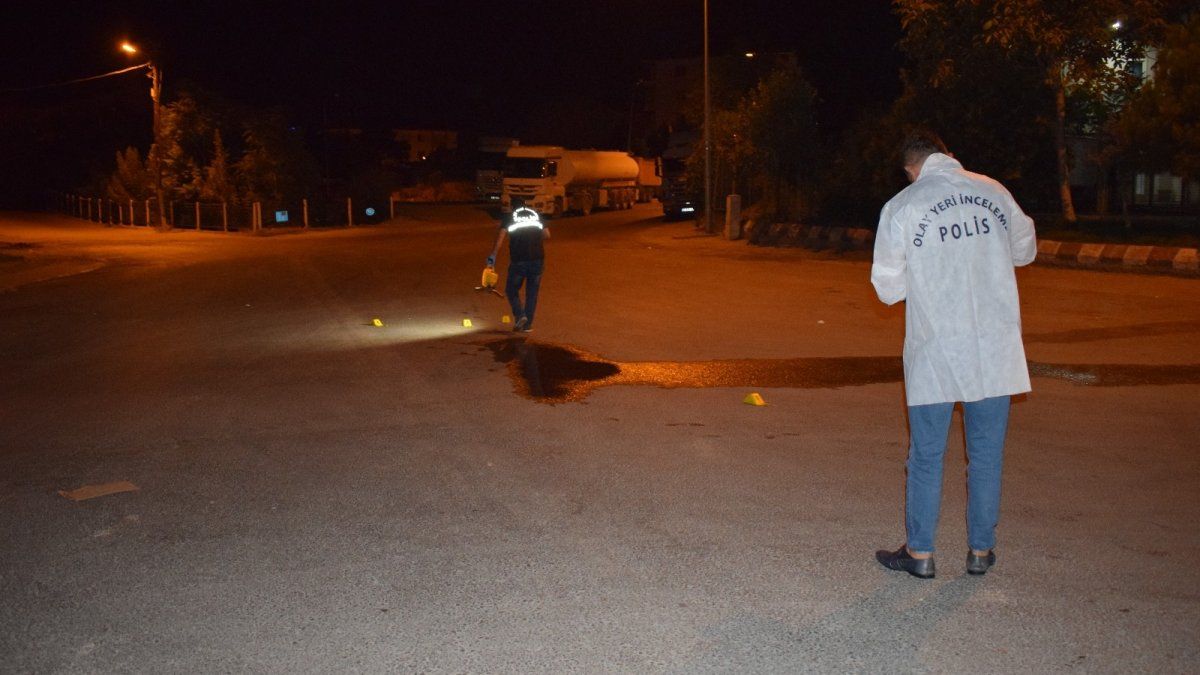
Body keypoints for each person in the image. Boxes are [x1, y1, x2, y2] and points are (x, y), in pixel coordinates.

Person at [870, 130, 1037, 579]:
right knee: (986, 455)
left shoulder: (903, 206)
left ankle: (921, 552)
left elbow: (887, 289)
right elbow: (1025, 250)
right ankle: (980, 550)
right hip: (994, 348)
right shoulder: (994, 191)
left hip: (936, 349)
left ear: (911, 170)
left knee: (927, 455)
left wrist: (929, 274)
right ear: (949, 155)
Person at [487, 197, 550, 332]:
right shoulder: (536, 215)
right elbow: (547, 234)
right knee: (532, 294)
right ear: (525, 204)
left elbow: (500, 239)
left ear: (512, 207)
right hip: (537, 259)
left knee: (511, 290)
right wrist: (533, 239)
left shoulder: (509, 218)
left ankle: (520, 315)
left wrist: (493, 256)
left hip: (519, 260)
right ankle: (527, 325)